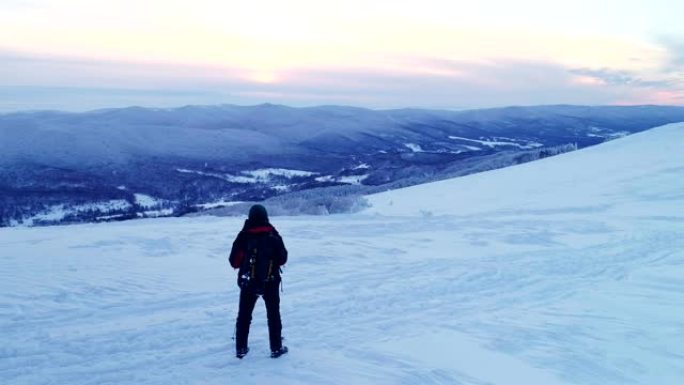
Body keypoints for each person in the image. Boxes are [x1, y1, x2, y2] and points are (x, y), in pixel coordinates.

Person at [229, 204, 288, 359]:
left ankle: (241, 348)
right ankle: (276, 348)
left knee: (244, 315)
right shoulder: (272, 234)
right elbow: (283, 258)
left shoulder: (244, 235)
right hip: (271, 281)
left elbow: (233, 261)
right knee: (273, 314)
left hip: (248, 283)